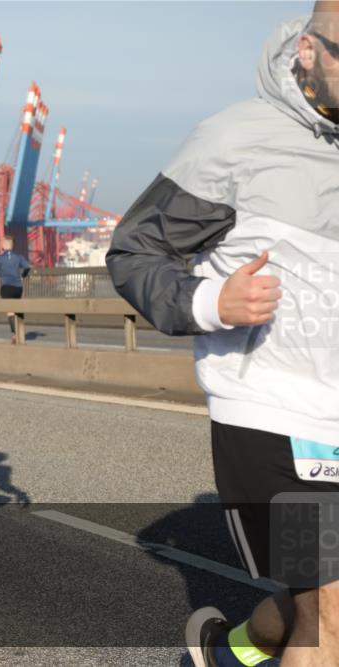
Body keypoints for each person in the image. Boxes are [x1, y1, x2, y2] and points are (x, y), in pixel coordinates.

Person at [106, 5, 338, 666]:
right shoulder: (238, 140)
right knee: (330, 618)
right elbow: (133, 251)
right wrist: (213, 299)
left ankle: (225, 654)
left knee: (303, 605)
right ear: (308, 51)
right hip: (276, 415)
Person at [0, 235, 30, 342]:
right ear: (12, 245)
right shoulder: (19, 257)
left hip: (6, 287)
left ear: (3, 245)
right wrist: (23, 275)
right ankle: (19, 330)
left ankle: (16, 334)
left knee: (10, 312)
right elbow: (27, 267)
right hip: (18, 287)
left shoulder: (0, 258)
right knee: (17, 309)